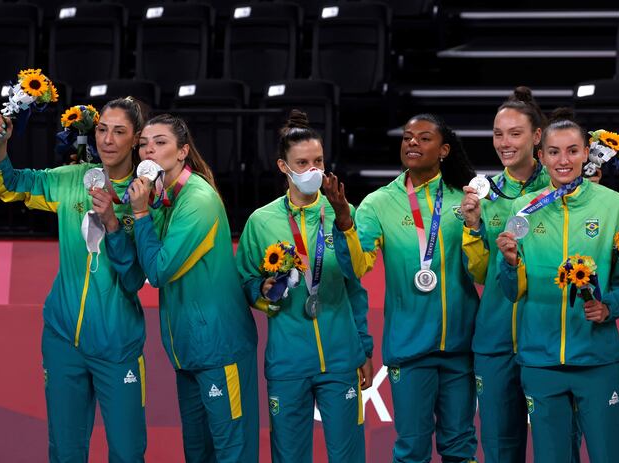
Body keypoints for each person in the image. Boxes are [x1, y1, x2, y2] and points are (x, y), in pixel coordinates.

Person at [0, 97, 149, 462]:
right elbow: (8, 184)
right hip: (63, 338)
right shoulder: (73, 179)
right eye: (102, 130)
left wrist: (112, 223)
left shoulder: (144, 197)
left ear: (136, 139)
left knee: (127, 453)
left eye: (119, 132)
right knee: (65, 451)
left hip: (117, 344)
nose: (107, 140)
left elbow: (135, 277)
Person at [324, 113, 480, 463]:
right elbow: (357, 266)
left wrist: (475, 226)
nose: (412, 142)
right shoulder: (379, 203)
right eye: (407, 137)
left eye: (424, 138)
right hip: (410, 348)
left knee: (461, 446)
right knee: (411, 450)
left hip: (461, 345)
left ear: (443, 150)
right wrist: (345, 223)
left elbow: (481, 268)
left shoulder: (464, 198)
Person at [495, 109, 619, 463]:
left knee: (607, 456)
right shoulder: (522, 209)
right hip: (541, 360)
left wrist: (609, 307)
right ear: (541, 156)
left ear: (587, 152)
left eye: (573, 151)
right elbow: (512, 291)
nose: (563, 161)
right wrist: (510, 263)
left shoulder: (614, 205)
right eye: (554, 152)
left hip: (596, 358)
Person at [235, 110, 374, 462]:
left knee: (348, 457)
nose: (313, 170)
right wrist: (264, 293)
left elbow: (355, 284)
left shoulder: (343, 212)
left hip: (340, 358)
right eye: (302, 163)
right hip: (288, 362)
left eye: (319, 161)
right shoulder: (261, 221)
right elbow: (246, 283)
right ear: (283, 167)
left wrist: (363, 349)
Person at [121, 114, 259, 463]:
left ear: (182, 151)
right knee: (198, 454)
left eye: (160, 142)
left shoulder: (198, 200)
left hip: (219, 348)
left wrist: (141, 215)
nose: (149, 150)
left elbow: (159, 271)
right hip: (187, 351)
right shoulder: (165, 197)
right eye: (143, 144)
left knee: (232, 454)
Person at [461, 86, 550, 462]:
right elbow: (482, 273)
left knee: (556, 448)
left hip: (547, 340)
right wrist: (473, 227)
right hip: (496, 340)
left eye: (515, 133)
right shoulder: (486, 195)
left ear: (537, 136)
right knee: (499, 450)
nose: (504, 143)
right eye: (498, 134)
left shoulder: (560, 190)